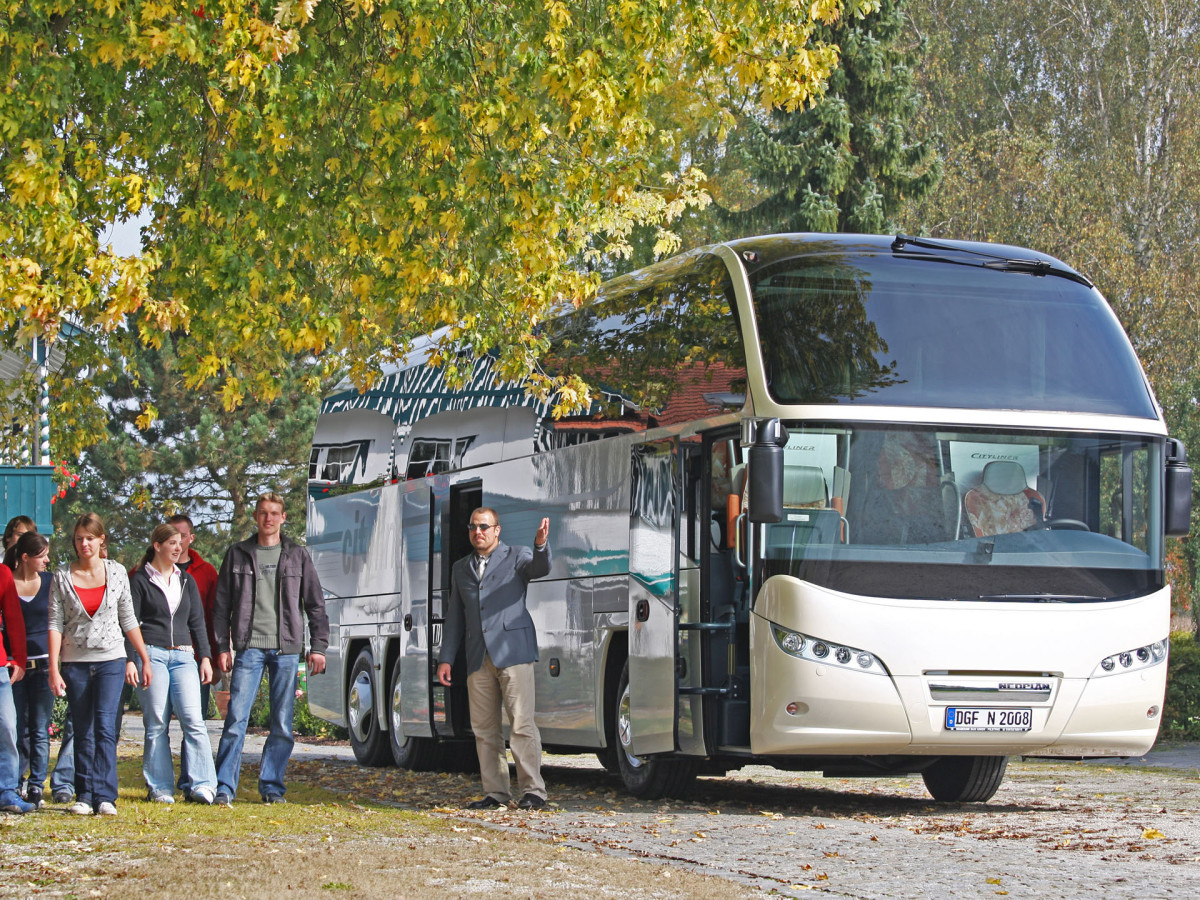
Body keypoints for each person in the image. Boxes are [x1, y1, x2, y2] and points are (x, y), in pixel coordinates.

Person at [212, 491, 328, 806]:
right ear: (256, 517)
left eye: (274, 513)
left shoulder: (297, 555)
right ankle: (224, 788)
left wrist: (318, 646)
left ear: (283, 517)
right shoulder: (237, 554)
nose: (268, 518)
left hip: (287, 650)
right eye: (263, 513)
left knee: (282, 722)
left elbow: (315, 604)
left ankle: (272, 787)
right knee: (236, 718)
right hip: (248, 647)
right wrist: (222, 645)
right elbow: (221, 606)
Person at [437, 508, 551, 810]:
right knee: (485, 730)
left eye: (484, 527)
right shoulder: (461, 568)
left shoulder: (517, 555)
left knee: (521, 725)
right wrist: (445, 657)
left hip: (514, 652)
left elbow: (540, 568)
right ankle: (496, 793)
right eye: (473, 527)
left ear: (497, 530)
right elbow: (455, 618)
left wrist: (541, 545)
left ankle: (533, 792)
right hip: (478, 656)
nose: (478, 532)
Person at [48, 513, 153, 817]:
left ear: (101, 540)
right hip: (75, 661)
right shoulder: (61, 576)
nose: (84, 544)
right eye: (80, 538)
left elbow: (128, 618)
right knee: (82, 729)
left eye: (90, 538)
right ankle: (84, 793)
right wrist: (54, 667)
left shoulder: (117, 572)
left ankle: (106, 795)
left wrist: (143, 657)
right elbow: (54, 622)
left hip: (111, 659)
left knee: (106, 728)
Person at [129, 523, 218, 804]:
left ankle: (203, 785)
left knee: (194, 719)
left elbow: (197, 623)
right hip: (151, 654)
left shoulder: (186, 581)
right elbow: (130, 624)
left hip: (183, 655)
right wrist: (134, 660)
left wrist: (204, 657)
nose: (178, 548)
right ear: (157, 546)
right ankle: (160, 788)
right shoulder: (140, 579)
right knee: (157, 722)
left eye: (180, 543)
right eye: (172, 543)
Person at [5, 532, 52, 809]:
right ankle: (16, 781)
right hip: (14, 666)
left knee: (39, 728)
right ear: (25, 557)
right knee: (16, 727)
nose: (47, 560)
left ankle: (37, 784)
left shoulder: (49, 582)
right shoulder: (7, 581)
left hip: (44, 664)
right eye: (41, 555)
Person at [1, 546, 34, 814]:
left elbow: (13, 618)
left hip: (0, 664)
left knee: (7, 727)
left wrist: (20, 658)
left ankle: (7, 791)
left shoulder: (3, 574)